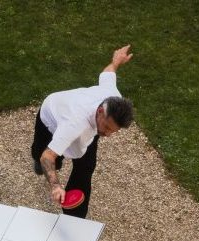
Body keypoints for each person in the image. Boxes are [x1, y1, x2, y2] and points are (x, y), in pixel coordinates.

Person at [31, 44, 135, 218]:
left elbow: (107, 74)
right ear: (101, 111)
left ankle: (75, 219)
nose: (108, 134)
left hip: (88, 126)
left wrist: (116, 61)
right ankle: (49, 162)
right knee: (44, 159)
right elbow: (47, 156)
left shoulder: (112, 96)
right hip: (51, 119)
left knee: (86, 168)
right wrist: (56, 186)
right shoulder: (74, 122)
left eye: (113, 131)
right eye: (108, 128)